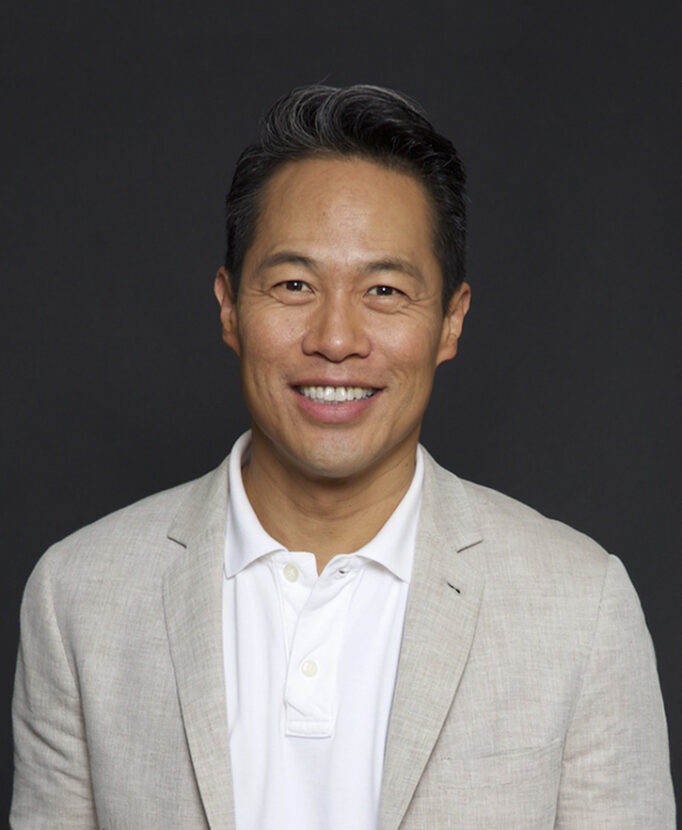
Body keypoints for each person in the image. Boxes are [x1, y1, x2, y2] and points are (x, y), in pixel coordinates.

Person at [11, 84, 675, 830]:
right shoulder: (79, 598)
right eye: (294, 284)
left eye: (384, 290)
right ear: (229, 306)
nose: (335, 339)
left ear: (450, 321)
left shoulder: (580, 606)